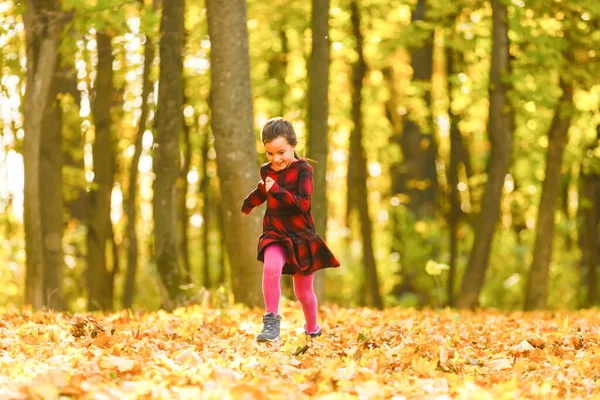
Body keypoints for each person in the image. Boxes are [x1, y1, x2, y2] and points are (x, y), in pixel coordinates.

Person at [241, 117, 340, 342]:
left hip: (300, 235)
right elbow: (263, 190)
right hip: (275, 231)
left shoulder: (304, 169)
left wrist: (275, 190)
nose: (275, 159)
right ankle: (271, 324)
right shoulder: (266, 170)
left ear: (293, 145)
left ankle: (312, 329)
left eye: (281, 152)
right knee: (271, 266)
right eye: (269, 154)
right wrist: (249, 203)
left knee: (303, 293)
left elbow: (303, 204)